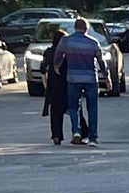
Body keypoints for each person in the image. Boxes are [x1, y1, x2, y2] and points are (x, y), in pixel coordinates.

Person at [52, 16, 104, 144]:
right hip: (91, 78)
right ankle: (93, 137)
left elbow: (58, 54)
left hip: (73, 78)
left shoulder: (66, 41)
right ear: (87, 29)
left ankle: (76, 130)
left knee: (73, 107)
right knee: (92, 108)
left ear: (75, 28)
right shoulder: (93, 42)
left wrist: (56, 65)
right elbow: (101, 61)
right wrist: (106, 75)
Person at [42, 43, 68, 146]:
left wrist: (46, 85)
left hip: (53, 85)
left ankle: (56, 135)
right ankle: (80, 132)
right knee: (74, 110)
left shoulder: (49, 52)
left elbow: (42, 69)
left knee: (55, 112)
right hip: (66, 84)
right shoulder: (66, 52)